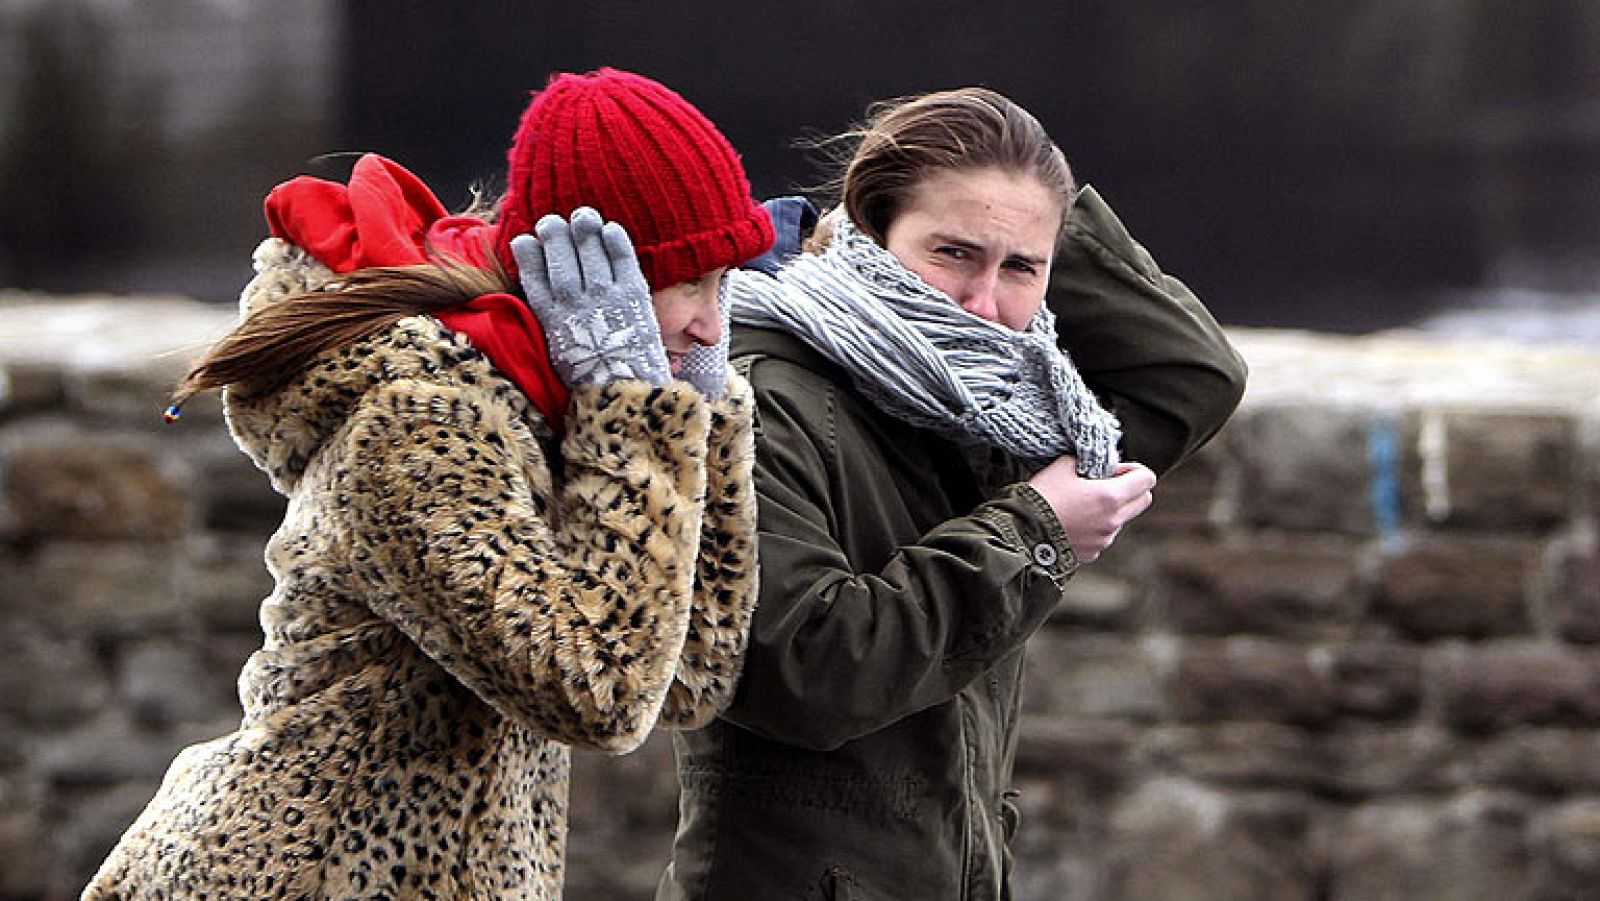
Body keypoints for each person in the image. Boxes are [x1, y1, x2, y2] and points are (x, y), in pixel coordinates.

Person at [83, 67, 773, 901]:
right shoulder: (421, 422)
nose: (710, 320)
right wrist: (636, 419)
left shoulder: (562, 403)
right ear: (588, 278)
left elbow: (691, 675)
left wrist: (704, 414)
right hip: (302, 875)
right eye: (687, 282)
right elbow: (603, 695)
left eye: (724, 281)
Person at [658, 87, 1248, 899]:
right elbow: (801, 670)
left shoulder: (990, 403)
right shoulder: (759, 393)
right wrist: (1037, 533)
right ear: (866, 232)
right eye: (953, 253)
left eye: (1021, 269)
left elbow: (1191, 377)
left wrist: (1028, 212)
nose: (982, 303)